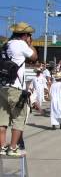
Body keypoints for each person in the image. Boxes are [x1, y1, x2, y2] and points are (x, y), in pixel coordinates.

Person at [0, 22, 37, 156]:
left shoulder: (6, 44)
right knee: (19, 118)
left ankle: (2, 147)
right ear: (25, 35)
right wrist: (29, 43)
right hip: (15, 87)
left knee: (2, 119)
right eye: (29, 35)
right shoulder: (21, 44)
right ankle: (13, 147)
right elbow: (34, 57)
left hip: (3, 86)